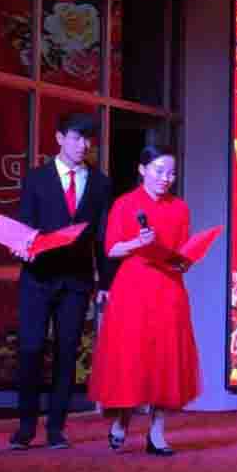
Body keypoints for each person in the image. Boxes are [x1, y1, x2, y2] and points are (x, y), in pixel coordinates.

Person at [9, 111, 112, 450]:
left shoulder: (100, 183)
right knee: (30, 350)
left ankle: (56, 428)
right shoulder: (37, 178)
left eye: (87, 139)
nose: (83, 145)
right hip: (38, 277)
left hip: (76, 281)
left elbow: (102, 237)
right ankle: (25, 429)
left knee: (67, 353)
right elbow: (25, 224)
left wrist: (105, 282)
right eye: (76, 137)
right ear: (59, 138)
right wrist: (22, 246)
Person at [89, 145, 199, 455]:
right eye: (159, 171)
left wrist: (183, 261)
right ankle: (122, 419)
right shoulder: (125, 204)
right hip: (133, 286)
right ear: (142, 169)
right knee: (132, 355)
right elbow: (111, 249)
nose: (166, 178)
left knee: (166, 357)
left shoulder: (180, 207)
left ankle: (157, 431)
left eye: (171, 173)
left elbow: (181, 251)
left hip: (168, 286)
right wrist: (138, 242)